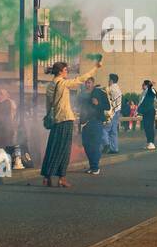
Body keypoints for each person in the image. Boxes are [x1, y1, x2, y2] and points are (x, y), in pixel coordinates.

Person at [41, 59, 102, 187]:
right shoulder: (62, 83)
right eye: (65, 70)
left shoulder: (50, 85)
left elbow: (48, 106)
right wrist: (95, 68)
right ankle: (62, 178)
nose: (67, 72)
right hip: (65, 119)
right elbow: (81, 79)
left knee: (52, 148)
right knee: (64, 150)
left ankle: (47, 177)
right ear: (60, 72)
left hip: (56, 120)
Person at [82, 78, 111, 174]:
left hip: (96, 121)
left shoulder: (99, 92)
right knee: (86, 144)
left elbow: (108, 106)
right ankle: (92, 165)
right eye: (86, 83)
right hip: (85, 122)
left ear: (93, 83)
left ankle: (95, 167)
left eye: (89, 83)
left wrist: (98, 104)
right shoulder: (83, 93)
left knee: (95, 145)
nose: (87, 85)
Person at [0, 89, 21, 169]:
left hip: (6, 130)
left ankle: (5, 165)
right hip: (1, 130)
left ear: (7, 96)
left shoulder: (8, 103)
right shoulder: (4, 103)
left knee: (5, 147)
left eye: (1, 94)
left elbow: (0, 112)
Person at [137, 80, 157, 150]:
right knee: (146, 127)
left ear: (146, 85)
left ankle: (151, 143)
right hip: (146, 111)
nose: (142, 86)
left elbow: (150, 91)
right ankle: (148, 142)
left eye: (143, 85)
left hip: (150, 111)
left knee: (149, 127)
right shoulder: (144, 92)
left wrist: (150, 85)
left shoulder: (151, 90)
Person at [104, 73, 122, 154]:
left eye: (109, 80)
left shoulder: (110, 89)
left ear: (111, 80)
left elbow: (105, 93)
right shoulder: (118, 89)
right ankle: (114, 148)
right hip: (118, 111)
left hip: (112, 112)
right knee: (113, 131)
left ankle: (106, 144)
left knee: (104, 129)